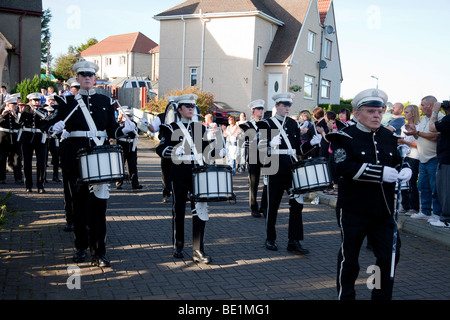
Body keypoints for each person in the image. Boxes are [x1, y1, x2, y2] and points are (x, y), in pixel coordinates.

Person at [46, 61, 137, 267]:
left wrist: (125, 130)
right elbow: (48, 125)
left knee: (99, 209)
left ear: (95, 79)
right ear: (77, 79)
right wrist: (55, 127)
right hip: (75, 160)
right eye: (83, 75)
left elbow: (112, 130)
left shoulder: (104, 101)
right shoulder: (67, 102)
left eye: (91, 75)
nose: (87, 78)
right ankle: (80, 247)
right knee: (79, 207)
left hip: (100, 161)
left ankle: (99, 253)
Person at [328, 88, 412, 300]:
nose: (377, 115)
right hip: (353, 209)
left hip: (383, 210)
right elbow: (341, 167)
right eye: (371, 111)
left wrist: (406, 168)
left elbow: (396, 160)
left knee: (389, 256)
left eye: (380, 111)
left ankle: (379, 296)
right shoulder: (344, 137)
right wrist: (379, 172)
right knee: (350, 260)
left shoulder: (388, 136)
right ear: (357, 113)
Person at [156, 94, 221, 264]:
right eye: (187, 106)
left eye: (193, 106)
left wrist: (219, 146)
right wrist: (172, 151)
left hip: (198, 173)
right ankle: (178, 245)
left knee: (200, 210)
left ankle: (198, 250)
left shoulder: (200, 128)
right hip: (179, 173)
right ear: (179, 109)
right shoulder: (170, 128)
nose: (191, 109)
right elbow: (160, 149)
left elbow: (208, 151)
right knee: (179, 210)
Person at [257, 93, 323, 254]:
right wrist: (269, 146)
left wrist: (311, 144)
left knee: (297, 205)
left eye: (289, 106)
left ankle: (294, 241)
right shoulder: (266, 124)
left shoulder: (293, 124)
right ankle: (270, 238)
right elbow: (256, 153)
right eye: (284, 105)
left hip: (292, 169)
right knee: (272, 206)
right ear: (277, 105)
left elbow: (298, 150)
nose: (287, 108)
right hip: (273, 169)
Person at [404, 96, 443, 223]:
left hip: (434, 158)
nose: (420, 108)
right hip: (423, 158)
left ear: (431, 105)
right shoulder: (424, 119)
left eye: (422, 105)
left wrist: (418, 133)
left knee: (435, 188)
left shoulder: (440, 118)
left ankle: (437, 213)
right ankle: (425, 211)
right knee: (423, 186)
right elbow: (420, 135)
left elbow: (436, 137)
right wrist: (413, 132)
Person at [239, 99, 266, 218]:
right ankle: (253, 207)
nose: (261, 111)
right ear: (253, 111)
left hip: (266, 155)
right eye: (259, 109)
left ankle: (264, 206)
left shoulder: (267, 123)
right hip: (253, 155)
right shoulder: (247, 125)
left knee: (268, 182)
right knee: (253, 183)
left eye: (262, 109)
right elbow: (241, 141)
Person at [18, 92, 48, 193]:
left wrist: (35, 110)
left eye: (38, 100)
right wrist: (20, 112)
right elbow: (19, 122)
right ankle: (28, 185)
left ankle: (40, 185)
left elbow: (45, 118)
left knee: (41, 163)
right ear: (30, 101)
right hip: (27, 138)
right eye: (34, 100)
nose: (36, 102)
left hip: (40, 139)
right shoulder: (25, 110)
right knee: (27, 163)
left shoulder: (43, 110)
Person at [429, 101, 450, 228]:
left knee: (446, 190)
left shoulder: (448, 120)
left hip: (447, 160)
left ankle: (447, 219)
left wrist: (435, 111)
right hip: (446, 159)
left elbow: (432, 128)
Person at [398, 104, 421, 216]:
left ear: (413, 113)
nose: (405, 114)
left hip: (414, 156)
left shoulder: (419, 126)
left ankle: (414, 207)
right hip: (404, 155)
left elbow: (418, 145)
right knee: (403, 180)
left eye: (407, 112)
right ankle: (405, 205)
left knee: (412, 181)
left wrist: (404, 142)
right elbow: (403, 140)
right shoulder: (404, 126)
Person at [147, 106, 173, 203]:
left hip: (181, 147)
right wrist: (147, 125)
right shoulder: (161, 117)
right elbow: (153, 129)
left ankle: (182, 193)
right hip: (166, 146)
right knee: (166, 172)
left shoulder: (182, 117)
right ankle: (166, 193)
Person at [115, 108, 143, 190]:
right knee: (120, 164)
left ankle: (135, 184)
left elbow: (136, 133)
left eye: (130, 116)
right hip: (121, 145)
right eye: (127, 115)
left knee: (133, 165)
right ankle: (119, 183)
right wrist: (121, 125)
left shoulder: (133, 123)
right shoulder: (118, 123)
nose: (129, 117)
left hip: (131, 145)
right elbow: (116, 133)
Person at [0, 96, 22, 184]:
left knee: (17, 158)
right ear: (8, 105)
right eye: (13, 105)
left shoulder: (18, 113)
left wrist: (16, 116)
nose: (15, 107)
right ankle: (1, 177)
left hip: (14, 138)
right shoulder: (1, 111)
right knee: (2, 158)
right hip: (3, 138)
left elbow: (20, 125)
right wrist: (2, 115)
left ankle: (18, 178)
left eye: (16, 105)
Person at [43, 94, 61, 182]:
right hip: (45, 137)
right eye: (50, 100)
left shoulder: (58, 109)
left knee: (56, 158)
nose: (51, 102)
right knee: (44, 158)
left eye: (53, 100)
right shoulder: (43, 108)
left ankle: (55, 176)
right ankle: (44, 176)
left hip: (55, 137)